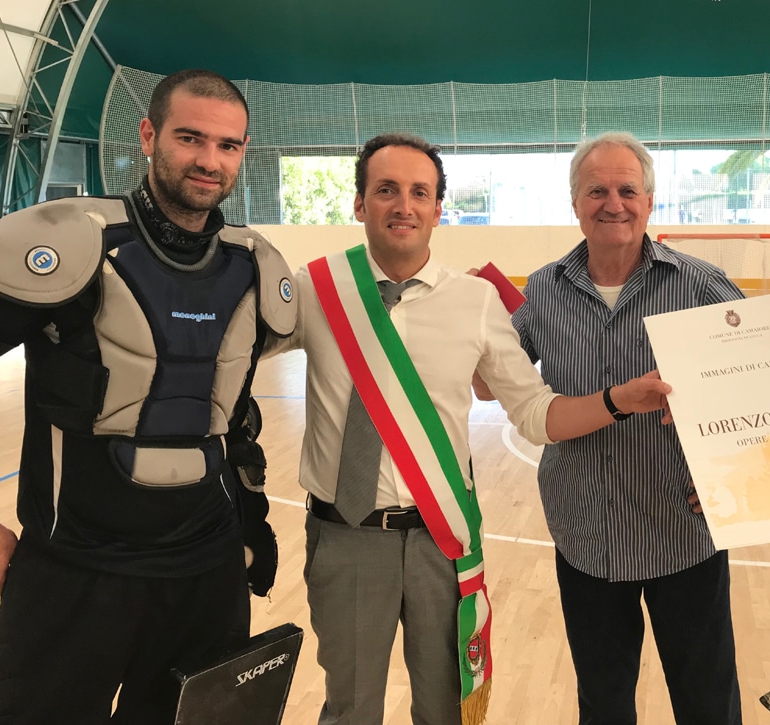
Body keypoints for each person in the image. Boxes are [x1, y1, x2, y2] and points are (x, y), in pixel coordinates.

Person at [0, 69, 294, 724]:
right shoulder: (69, 242)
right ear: (149, 136)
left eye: (228, 145)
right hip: (71, 577)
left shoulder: (254, 268)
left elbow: (228, 412)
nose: (209, 160)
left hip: (205, 578)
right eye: (189, 138)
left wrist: (250, 522)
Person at [264, 131, 671, 725]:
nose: (404, 205)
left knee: (446, 711)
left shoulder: (476, 301)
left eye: (419, 193)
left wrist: (618, 399)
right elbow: (232, 352)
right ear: (359, 204)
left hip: (441, 542)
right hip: (346, 538)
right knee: (349, 710)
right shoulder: (314, 289)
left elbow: (534, 412)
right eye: (386, 191)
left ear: (437, 209)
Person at [508, 131, 744, 724]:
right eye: (596, 191)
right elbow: (497, 379)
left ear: (650, 200)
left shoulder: (701, 284)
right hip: (585, 534)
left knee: (707, 701)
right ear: (575, 202)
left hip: (684, 530)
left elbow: (758, 385)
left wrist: (732, 479)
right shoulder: (543, 290)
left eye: (627, 190)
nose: (613, 203)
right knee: (604, 702)